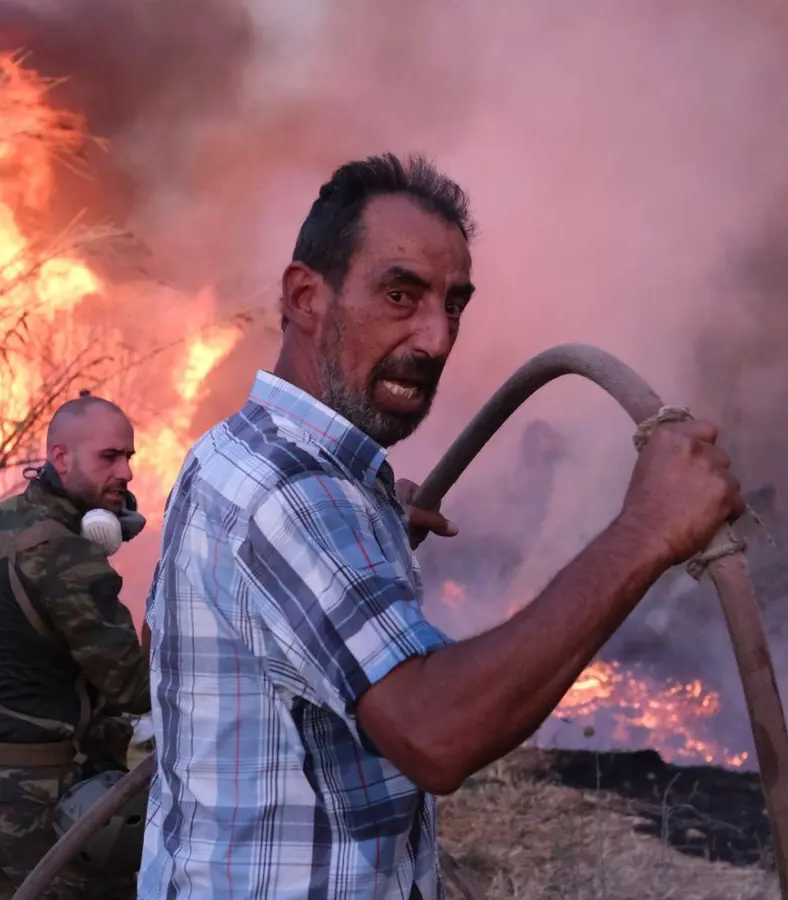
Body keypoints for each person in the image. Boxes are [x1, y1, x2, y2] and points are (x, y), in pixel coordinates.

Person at [140, 154, 744, 898]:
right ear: (306, 296)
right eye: (401, 294)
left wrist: (371, 525)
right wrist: (646, 531)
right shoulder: (295, 496)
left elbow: (176, 641)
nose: (436, 338)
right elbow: (436, 734)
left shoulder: (234, 451)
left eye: (454, 303)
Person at [0, 392, 152, 900]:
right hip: (38, 791)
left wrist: (20, 644)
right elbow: (134, 690)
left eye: (129, 457)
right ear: (60, 457)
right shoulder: (70, 556)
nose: (126, 472)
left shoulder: (0, 520)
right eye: (109, 457)